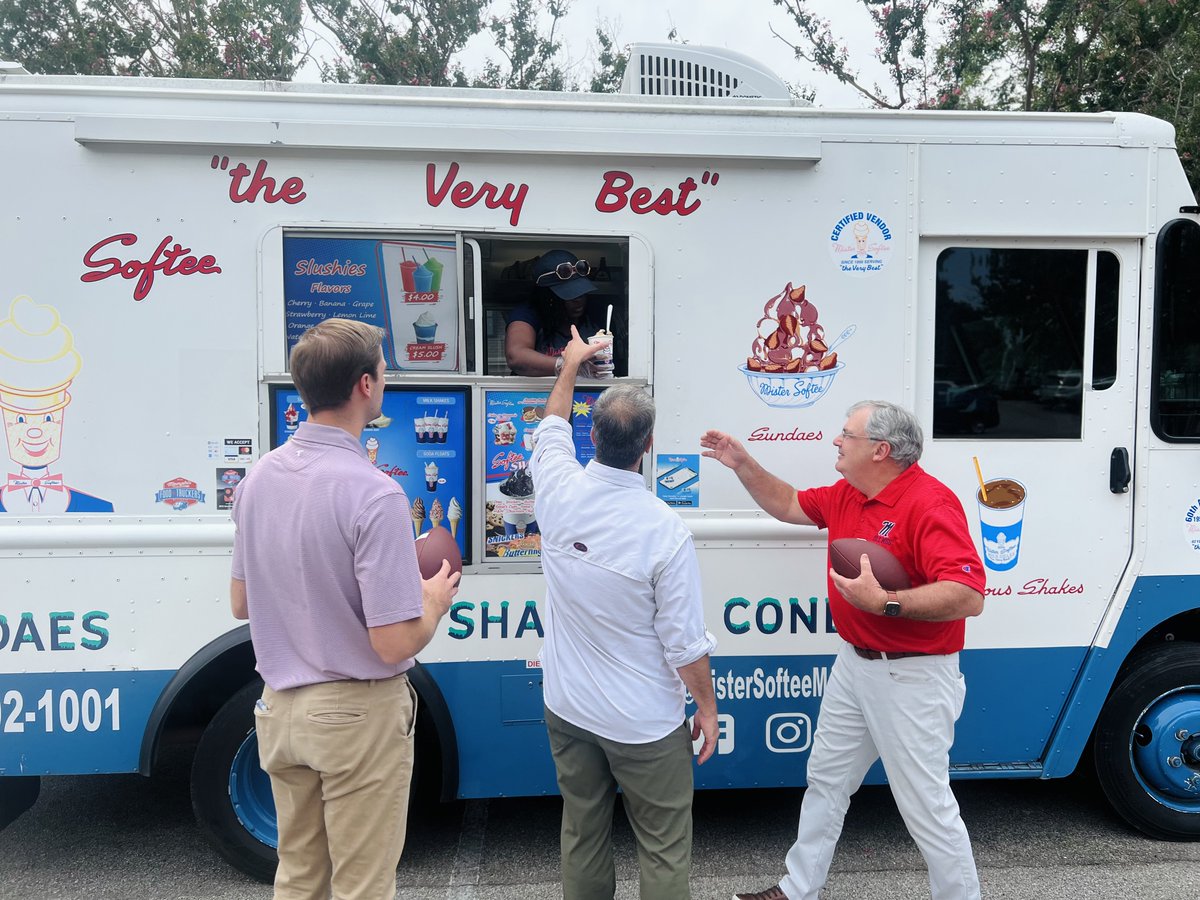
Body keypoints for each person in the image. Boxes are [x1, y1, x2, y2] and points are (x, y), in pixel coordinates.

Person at [701, 401, 985, 900]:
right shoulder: (849, 493)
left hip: (913, 677)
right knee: (827, 780)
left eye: (846, 434)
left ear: (880, 450)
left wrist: (887, 602)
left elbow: (968, 595)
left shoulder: (930, 503)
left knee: (926, 806)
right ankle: (798, 889)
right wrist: (742, 464)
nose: (836, 440)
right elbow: (789, 503)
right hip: (855, 663)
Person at [230, 317, 460, 900]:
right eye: (383, 371)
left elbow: (241, 602)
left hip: (278, 710)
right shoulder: (375, 493)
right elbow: (392, 642)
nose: (384, 381)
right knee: (362, 886)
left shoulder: (257, 480)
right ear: (365, 385)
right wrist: (433, 603)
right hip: (356, 717)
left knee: (299, 876)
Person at [530, 325, 719, 900]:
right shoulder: (664, 530)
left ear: (591, 435)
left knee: (582, 831)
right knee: (663, 849)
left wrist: (571, 363)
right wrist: (707, 708)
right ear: (649, 444)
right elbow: (684, 644)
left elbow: (551, 425)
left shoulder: (557, 489)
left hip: (568, 708)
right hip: (644, 723)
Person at [505, 248, 607, 377]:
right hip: (538, 389)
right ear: (547, 296)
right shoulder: (528, 313)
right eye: (569, 295)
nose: (578, 300)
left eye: (582, 293)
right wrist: (567, 366)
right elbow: (516, 356)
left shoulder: (594, 314)